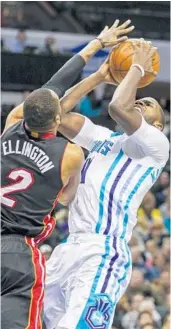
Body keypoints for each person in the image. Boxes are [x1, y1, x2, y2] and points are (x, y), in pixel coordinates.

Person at [1, 19, 134, 329]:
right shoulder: (70, 155)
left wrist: (97, 52)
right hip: (19, 252)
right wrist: (100, 70)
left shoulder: (11, 123)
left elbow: (55, 92)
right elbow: (66, 198)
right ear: (59, 118)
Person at [43, 38, 169, 329]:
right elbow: (58, 114)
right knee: (30, 321)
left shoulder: (155, 148)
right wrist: (99, 76)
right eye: (139, 98)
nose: (140, 100)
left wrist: (137, 65)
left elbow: (118, 107)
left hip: (103, 251)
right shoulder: (104, 138)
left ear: (158, 126)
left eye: (148, 103)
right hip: (69, 247)